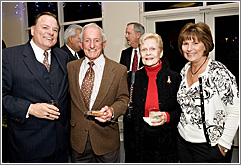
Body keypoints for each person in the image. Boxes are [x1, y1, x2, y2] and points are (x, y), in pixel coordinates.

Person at [2, 12, 70, 163]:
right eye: (45, 27)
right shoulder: (9, 56)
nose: (51, 33)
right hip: (27, 145)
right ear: (32, 30)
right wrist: (30, 108)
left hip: (60, 145)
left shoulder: (62, 56)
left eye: (55, 30)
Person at [177, 22, 239, 163]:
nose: (189, 48)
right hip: (183, 142)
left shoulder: (219, 72)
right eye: (185, 43)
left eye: (195, 43)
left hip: (210, 147)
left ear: (205, 45)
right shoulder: (185, 69)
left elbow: (235, 110)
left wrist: (224, 145)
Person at [67, 23, 129, 163]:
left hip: (106, 140)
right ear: (81, 44)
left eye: (96, 40)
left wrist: (112, 111)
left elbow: (123, 99)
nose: (92, 45)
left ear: (104, 43)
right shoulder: (71, 67)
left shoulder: (119, 70)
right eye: (87, 40)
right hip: (78, 141)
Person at [123, 32, 181, 163]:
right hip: (138, 143)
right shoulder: (132, 78)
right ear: (140, 53)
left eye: (153, 49)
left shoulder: (175, 78)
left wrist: (167, 116)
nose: (148, 53)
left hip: (166, 142)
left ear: (160, 53)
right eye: (144, 49)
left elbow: (181, 111)